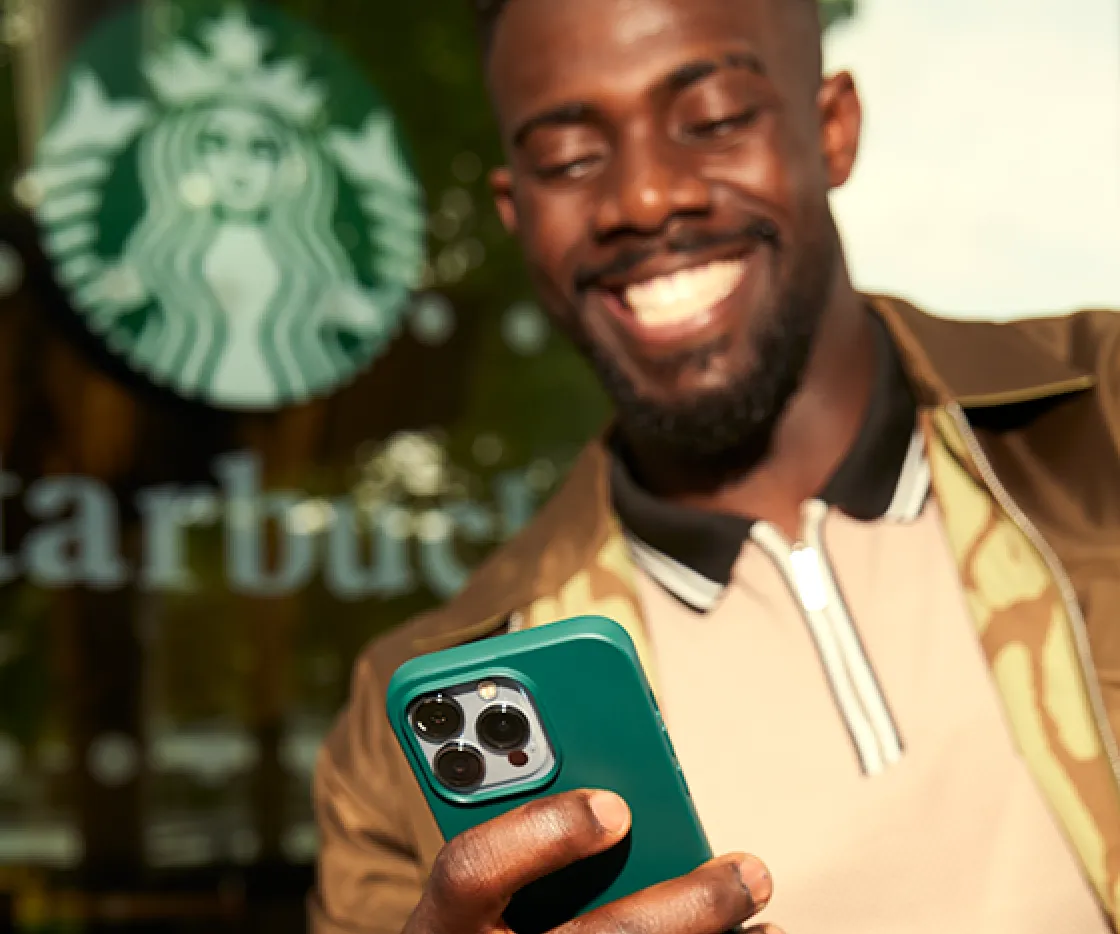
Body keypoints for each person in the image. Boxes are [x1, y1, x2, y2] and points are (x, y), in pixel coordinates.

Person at [309, 0, 1120, 931]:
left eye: (716, 119)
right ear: (516, 213)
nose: (646, 198)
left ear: (832, 128)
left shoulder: (1108, 412)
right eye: (571, 159)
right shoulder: (392, 747)